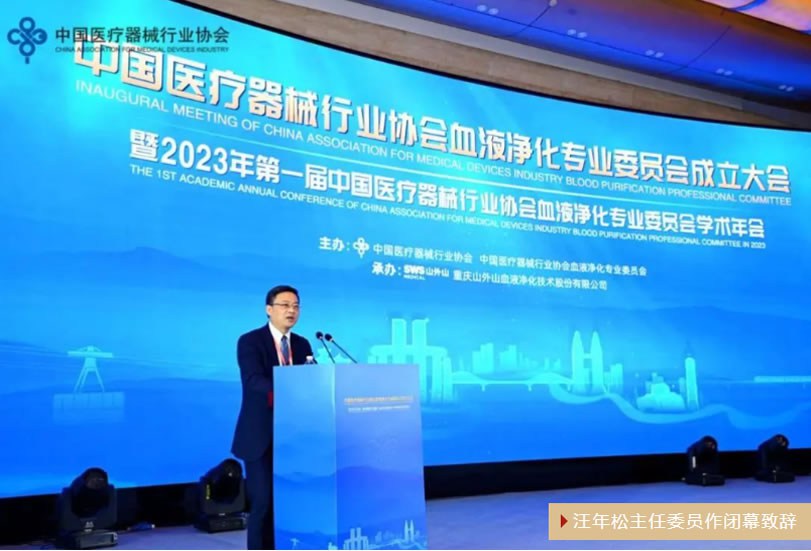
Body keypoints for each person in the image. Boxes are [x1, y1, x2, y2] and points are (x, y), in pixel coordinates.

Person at [231, 285, 315, 550]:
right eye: (285, 305)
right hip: (260, 436)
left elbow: (311, 382)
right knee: (263, 503)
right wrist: (291, 388)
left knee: (291, 503)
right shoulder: (250, 341)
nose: (292, 311)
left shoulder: (302, 344)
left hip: (293, 437)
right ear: (269, 309)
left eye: (296, 306)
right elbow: (253, 381)